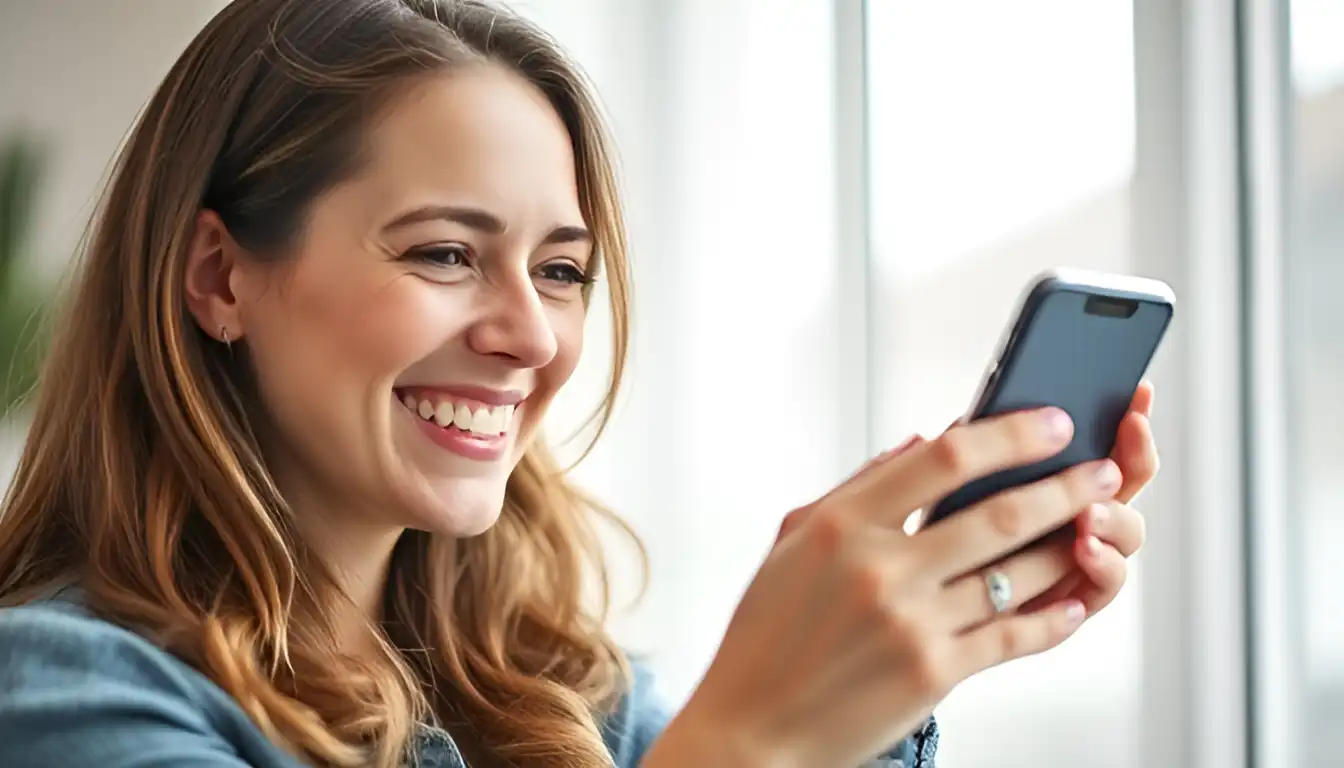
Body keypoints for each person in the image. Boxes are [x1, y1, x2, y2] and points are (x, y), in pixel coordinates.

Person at [0, 1, 1157, 766]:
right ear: (220, 277)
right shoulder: (62, 696)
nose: (531, 337)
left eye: (560, 270)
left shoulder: (567, 700)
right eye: (445, 252)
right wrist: (751, 740)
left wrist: (900, 662)